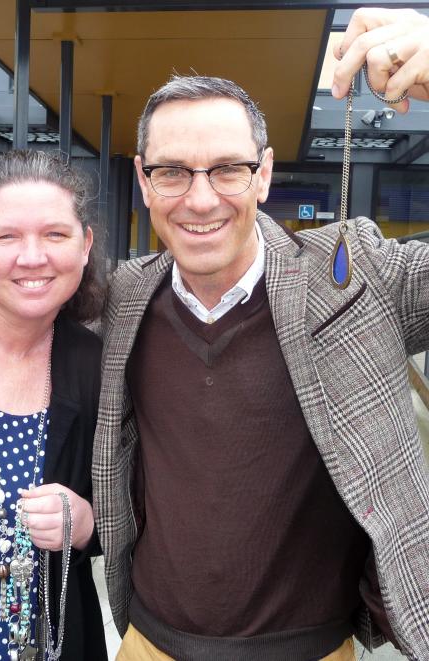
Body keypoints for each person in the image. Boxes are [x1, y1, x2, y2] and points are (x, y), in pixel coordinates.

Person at [93, 6, 429, 661]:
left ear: (264, 174)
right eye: (172, 171)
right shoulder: (123, 295)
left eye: (227, 168)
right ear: (142, 179)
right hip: (147, 645)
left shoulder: (357, 274)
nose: (199, 198)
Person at [0, 150, 108, 660]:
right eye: (7, 236)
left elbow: (136, 513)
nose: (32, 257)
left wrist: (87, 522)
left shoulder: (100, 366)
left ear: (85, 246)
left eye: (55, 235)